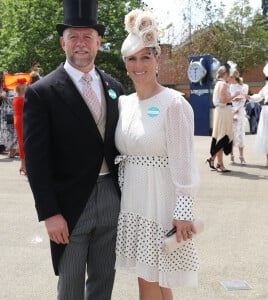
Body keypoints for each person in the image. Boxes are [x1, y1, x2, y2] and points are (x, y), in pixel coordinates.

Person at [23, 0, 123, 299]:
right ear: (62, 42)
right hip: (68, 204)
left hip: (111, 196)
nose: (81, 44)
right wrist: (50, 213)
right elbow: (36, 161)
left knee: (104, 279)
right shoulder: (43, 92)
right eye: (74, 37)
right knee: (70, 284)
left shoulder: (114, 86)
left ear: (98, 42)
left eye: (87, 37)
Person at [114, 9, 200, 300]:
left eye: (145, 57)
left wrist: (184, 212)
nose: (139, 65)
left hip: (160, 204)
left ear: (157, 59)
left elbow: (184, 163)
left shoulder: (173, 104)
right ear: (125, 62)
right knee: (157, 280)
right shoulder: (124, 103)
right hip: (134, 201)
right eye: (132, 58)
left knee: (148, 280)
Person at [206, 64, 242, 172]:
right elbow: (223, 99)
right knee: (223, 137)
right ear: (225, 74)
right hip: (223, 112)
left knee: (221, 137)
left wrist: (232, 99)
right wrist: (234, 96)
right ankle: (215, 161)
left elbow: (224, 99)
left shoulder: (219, 83)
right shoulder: (222, 84)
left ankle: (218, 162)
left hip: (222, 111)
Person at [228, 70, 249, 164]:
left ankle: (241, 156)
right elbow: (229, 99)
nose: (229, 79)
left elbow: (243, 99)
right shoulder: (229, 87)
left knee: (240, 134)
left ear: (234, 77)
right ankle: (231, 155)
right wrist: (232, 110)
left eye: (230, 77)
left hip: (240, 112)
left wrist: (238, 109)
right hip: (231, 111)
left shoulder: (244, 86)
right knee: (231, 134)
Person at [12, 79, 27, 174]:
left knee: (21, 142)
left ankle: (23, 165)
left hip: (17, 119)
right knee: (24, 143)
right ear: (22, 89)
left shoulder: (16, 97)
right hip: (23, 120)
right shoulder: (22, 99)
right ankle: (23, 165)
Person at [0, 88, 18, 158]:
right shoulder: (6, 91)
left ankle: (13, 151)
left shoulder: (14, 90)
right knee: (10, 133)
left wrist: (6, 98)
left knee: (12, 133)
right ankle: (12, 151)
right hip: (8, 115)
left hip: (11, 114)